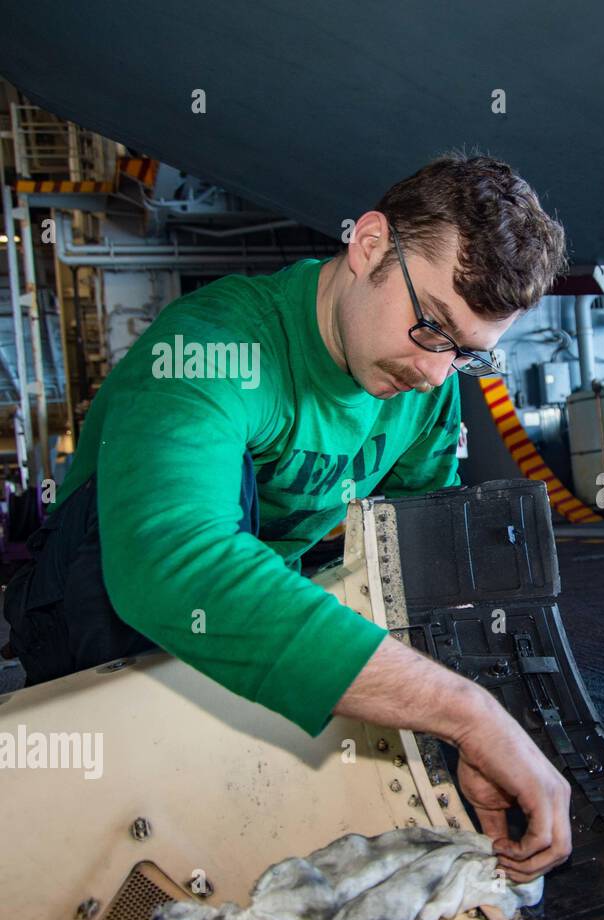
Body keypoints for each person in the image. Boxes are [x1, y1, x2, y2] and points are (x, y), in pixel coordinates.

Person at [4, 151, 572, 882]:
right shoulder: (211, 345)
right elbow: (172, 563)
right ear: (369, 245)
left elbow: (413, 568)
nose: (435, 372)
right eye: (431, 325)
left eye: (467, 353)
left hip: (239, 599)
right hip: (93, 606)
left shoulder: (424, 390)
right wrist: (465, 710)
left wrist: (464, 732)